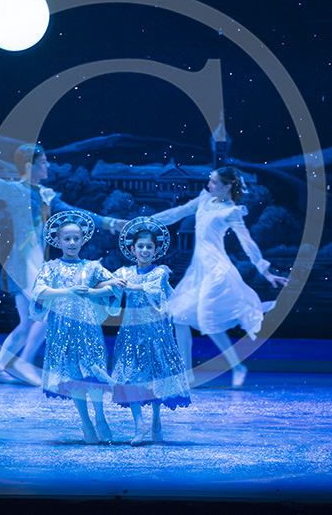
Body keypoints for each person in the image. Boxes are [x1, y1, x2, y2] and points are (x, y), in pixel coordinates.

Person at [0, 146, 124, 386]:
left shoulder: (45, 195)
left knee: (27, 324)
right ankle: (24, 361)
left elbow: (75, 212)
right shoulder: (18, 191)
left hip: (33, 264)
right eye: (42, 162)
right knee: (53, 310)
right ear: (28, 165)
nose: (47, 166)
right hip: (22, 264)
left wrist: (111, 223)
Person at [153, 166, 288, 389]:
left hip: (217, 271)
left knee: (209, 320)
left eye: (214, 182)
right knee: (180, 317)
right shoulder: (204, 200)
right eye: (210, 180)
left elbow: (247, 242)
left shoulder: (231, 211)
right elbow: (177, 213)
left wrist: (264, 269)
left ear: (227, 186)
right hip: (198, 271)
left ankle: (237, 367)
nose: (209, 185)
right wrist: (147, 221)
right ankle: (187, 375)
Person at [29, 211, 125, 444]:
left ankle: (100, 417)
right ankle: (86, 422)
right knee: (74, 377)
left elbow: (113, 287)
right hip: (62, 329)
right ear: (58, 241)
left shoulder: (91, 267)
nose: (72, 243)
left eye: (76, 238)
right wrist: (68, 291)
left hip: (88, 327)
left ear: (83, 240)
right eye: (67, 239)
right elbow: (40, 292)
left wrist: (95, 291)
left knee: (93, 373)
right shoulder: (51, 268)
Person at [109, 217, 191, 446]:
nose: (144, 250)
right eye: (140, 246)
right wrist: (100, 285)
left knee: (156, 377)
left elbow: (153, 289)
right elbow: (108, 284)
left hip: (155, 334)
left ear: (156, 250)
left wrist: (128, 285)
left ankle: (156, 422)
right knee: (130, 377)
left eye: (149, 247)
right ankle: (139, 425)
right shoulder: (124, 272)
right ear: (132, 249)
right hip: (130, 334)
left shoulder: (160, 272)